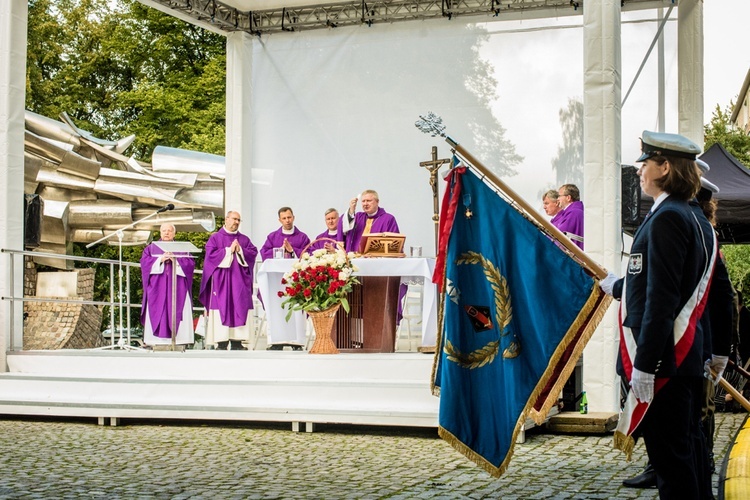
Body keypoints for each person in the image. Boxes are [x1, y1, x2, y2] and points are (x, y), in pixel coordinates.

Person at [599, 130, 716, 498]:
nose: (639, 171)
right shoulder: (692, 217)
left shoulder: (667, 218)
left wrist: (646, 367)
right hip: (682, 358)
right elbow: (653, 286)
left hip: (665, 362)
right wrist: (619, 285)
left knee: (673, 466)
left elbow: (661, 301)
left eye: (645, 163)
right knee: (688, 455)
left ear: (665, 167)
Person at [199, 211, 258, 350]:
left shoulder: (244, 239)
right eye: (234, 219)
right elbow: (210, 256)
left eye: (238, 220)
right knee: (221, 306)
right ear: (226, 219)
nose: (236, 222)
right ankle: (221, 341)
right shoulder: (215, 238)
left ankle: (238, 341)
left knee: (239, 305)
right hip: (221, 283)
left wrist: (240, 251)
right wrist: (228, 251)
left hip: (239, 282)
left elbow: (253, 253)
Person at [140, 223, 195, 348]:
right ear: (160, 233)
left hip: (178, 287)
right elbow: (144, 263)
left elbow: (190, 264)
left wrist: (176, 259)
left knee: (178, 308)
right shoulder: (151, 248)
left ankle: (180, 340)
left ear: (174, 233)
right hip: (157, 287)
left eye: (169, 231)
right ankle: (155, 341)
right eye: (164, 230)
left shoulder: (182, 247)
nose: (166, 233)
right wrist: (160, 260)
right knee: (157, 308)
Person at [552, 184, 584, 249]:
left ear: (568, 198)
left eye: (559, 196)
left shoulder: (574, 213)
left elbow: (559, 236)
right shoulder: (571, 212)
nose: (557, 199)